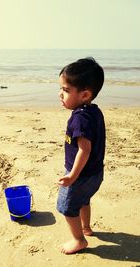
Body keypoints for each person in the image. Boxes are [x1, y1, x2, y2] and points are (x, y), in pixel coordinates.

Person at [57, 57, 105, 254]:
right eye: (61, 88)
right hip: (95, 173)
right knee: (84, 200)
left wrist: (72, 176)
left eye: (66, 90)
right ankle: (85, 227)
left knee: (67, 207)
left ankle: (79, 239)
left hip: (81, 175)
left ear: (85, 95)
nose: (60, 94)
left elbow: (84, 150)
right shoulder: (93, 111)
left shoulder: (80, 119)